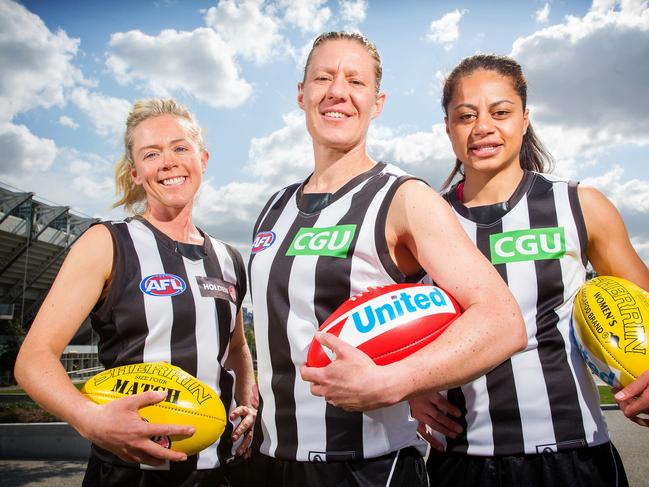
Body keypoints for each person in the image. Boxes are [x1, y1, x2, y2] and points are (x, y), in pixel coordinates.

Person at [247, 32, 527, 487]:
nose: (337, 91)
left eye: (355, 81)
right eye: (323, 77)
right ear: (302, 94)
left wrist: (398, 381)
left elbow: (502, 321)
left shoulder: (402, 197)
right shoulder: (275, 206)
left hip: (369, 468)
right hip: (273, 461)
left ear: (376, 103)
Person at [410, 53, 649, 486]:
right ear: (448, 126)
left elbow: (644, 304)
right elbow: (391, 323)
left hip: (575, 458)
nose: (483, 126)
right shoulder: (421, 220)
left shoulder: (580, 205)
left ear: (524, 119)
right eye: (466, 115)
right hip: (462, 463)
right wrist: (411, 387)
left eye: (500, 112)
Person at [14, 99, 256, 487]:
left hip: (223, 471)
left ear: (203, 159)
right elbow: (32, 360)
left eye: (180, 148)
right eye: (151, 153)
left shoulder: (229, 258)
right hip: (131, 475)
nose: (169, 161)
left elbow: (237, 348)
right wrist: (90, 418)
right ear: (136, 173)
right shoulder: (107, 243)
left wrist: (248, 401)